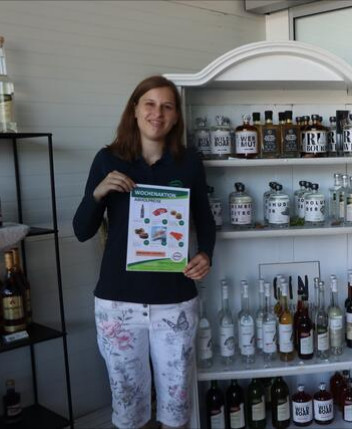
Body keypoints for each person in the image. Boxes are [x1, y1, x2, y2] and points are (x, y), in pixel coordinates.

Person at [73, 76, 216, 429]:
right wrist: (98, 193)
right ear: (134, 110)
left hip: (174, 302)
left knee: (177, 407)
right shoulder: (108, 160)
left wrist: (206, 254)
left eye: (167, 106)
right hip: (118, 303)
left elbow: (205, 219)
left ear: (176, 116)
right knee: (128, 408)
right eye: (149, 104)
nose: (158, 113)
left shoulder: (189, 162)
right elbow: (81, 230)